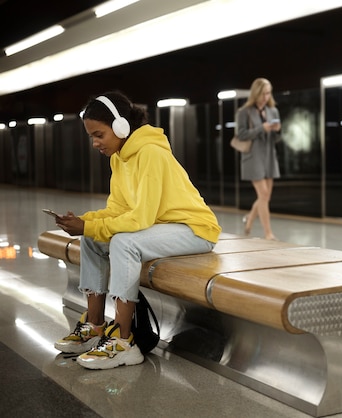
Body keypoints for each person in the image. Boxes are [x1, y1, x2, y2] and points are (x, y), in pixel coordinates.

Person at [53, 91, 221, 369]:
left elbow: (140, 219)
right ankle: (94, 325)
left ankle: (123, 341)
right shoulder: (120, 158)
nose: (95, 143)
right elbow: (118, 209)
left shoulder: (151, 154)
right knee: (92, 238)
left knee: (123, 242)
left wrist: (91, 225)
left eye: (99, 135)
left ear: (121, 127)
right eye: (91, 137)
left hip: (194, 230)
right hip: (163, 228)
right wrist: (86, 222)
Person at [235, 78, 281, 240]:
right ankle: (268, 233)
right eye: (263, 93)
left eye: (268, 93)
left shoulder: (273, 111)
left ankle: (249, 218)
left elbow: (276, 138)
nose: (266, 97)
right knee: (263, 194)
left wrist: (276, 130)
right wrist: (262, 128)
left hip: (268, 155)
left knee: (265, 196)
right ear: (256, 93)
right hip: (253, 157)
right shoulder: (244, 112)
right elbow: (241, 134)